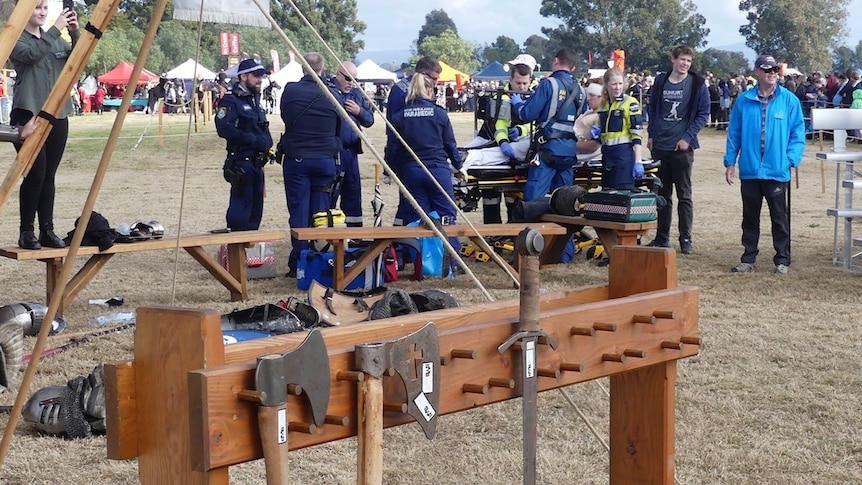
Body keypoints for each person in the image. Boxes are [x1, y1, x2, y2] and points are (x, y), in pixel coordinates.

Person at [723, 54, 805, 275]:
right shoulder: (743, 100)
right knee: (749, 217)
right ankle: (748, 258)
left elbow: (798, 133)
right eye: (767, 70)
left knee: (779, 218)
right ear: (757, 71)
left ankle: (782, 259)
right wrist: (730, 162)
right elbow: (734, 134)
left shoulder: (789, 100)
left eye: (774, 70)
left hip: (777, 171)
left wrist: (791, 158)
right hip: (750, 169)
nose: (771, 74)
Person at [9, 0, 79, 250]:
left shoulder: (55, 38)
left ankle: (47, 230)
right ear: (24, 10)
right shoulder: (14, 38)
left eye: (45, 8)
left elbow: (78, 57)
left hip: (58, 114)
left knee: (49, 175)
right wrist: (56, 29)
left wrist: (73, 30)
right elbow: (32, 55)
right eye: (37, 7)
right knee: (35, 174)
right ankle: (26, 232)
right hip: (28, 114)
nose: (42, 12)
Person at [280, 52, 342, 277]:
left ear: (303, 69)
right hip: (324, 158)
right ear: (322, 69)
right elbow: (339, 129)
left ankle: (299, 261)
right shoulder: (332, 94)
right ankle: (321, 261)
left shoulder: (290, 90)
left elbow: (286, 117)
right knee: (321, 213)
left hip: (297, 157)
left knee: (298, 211)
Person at [646, 45, 710, 254]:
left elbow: (703, 114)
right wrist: (651, 134)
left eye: (688, 61)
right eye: (682, 59)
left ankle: (685, 239)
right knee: (662, 194)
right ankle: (662, 237)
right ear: (673, 59)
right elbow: (653, 107)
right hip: (660, 146)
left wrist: (687, 137)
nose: (685, 64)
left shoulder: (697, 83)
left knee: (684, 195)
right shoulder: (661, 81)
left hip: (682, 148)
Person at [461, 54, 536, 223]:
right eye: (518, 83)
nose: (522, 87)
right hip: (492, 141)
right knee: (489, 193)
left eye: (525, 83)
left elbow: (536, 124)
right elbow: (499, 125)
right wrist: (503, 142)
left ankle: (512, 230)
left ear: (531, 78)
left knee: (513, 198)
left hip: (520, 147)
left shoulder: (536, 96)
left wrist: (520, 130)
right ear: (511, 78)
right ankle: (492, 232)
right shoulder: (501, 97)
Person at [389, 72, 462, 240]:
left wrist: (389, 170)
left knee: (418, 220)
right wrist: (459, 166)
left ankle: (421, 262)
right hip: (437, 170)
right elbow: (450, 144)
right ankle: (450, 263)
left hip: (412, 170)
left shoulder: (399, 116)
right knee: (446, 218)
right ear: (429, 90)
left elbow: (393, 148)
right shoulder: (439, 113)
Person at [510, 48, 582, 202]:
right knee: (565, 203)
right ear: (573, 68)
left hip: (548, 150)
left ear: (555, 61)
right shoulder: (580, 90)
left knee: (533, 201)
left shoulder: (548, 84)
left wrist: (517, 104)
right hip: (569, 152)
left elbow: (526, 114)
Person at [214, 58, 272, 232]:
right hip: (242, 162)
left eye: (261, 76)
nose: (259, 79)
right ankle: (236, 254)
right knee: (240, 214)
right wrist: (252, 140)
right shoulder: (232, 100)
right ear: (244, 76)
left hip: (257, 163)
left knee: (255, 213)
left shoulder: (254, 100)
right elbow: (224, 128)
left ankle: (250, 254)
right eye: (256, 76)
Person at [385, 56, 442, 226]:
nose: (436, 84)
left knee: (409, 201)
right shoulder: (405, 91)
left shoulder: (400, 88)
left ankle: (400, 236)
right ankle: (404, 241)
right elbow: (398, 127)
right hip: (409, 154)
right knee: (411, 202)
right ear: (424, 74)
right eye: (434, 79)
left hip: (411, 154)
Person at [331, 61, 374, 227]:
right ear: (338, 74)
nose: (351, 83)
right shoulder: (329, 91)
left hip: (351, 153)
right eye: (348, 78)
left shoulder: (357, 95)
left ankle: (354, 236)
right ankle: (326, 238)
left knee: (353, 194)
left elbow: (369, 120)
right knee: (330, 194)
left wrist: (359, 112)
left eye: (355, 80)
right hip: (333, 153)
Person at [597, 68, 644, 190]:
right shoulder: (603, 106)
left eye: (620, 83)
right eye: (613, 84)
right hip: (607, 155)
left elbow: (637, 136)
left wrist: (638, 161)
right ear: (606, 85)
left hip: (623, 156)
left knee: (622, 197)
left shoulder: (630, 103)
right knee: (607, 196)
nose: (617, 87)